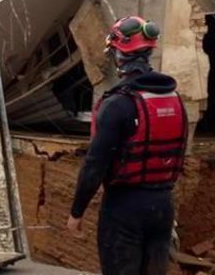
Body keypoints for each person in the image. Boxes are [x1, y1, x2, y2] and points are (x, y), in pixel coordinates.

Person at [66, 15, 188, 275]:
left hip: (123, 209)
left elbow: (94, 166)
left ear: (119, 56)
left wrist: (77, 213)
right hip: (163, 208)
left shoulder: (117, 104)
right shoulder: (176, 101)